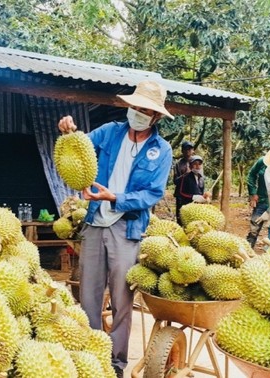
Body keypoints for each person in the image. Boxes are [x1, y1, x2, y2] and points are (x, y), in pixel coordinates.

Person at [57, 80, 173, 378]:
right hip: (95, 222)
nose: (138, 112)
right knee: (89, 295)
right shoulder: (109, 132)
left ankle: (116, 363)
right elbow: (79, 148)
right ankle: (89, 356)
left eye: (145, 110)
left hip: (127, 227)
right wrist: (68, 130)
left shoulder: (161, 150)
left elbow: (152, 194)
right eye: (135, 107)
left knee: (122, 300)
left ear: (156, 116)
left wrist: (115, 198)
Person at [246, 146, 270, 247]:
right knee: (254, 227)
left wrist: (269, 211)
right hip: (261, 199)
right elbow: (251, 175)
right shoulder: (261, 162)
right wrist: (253, 193)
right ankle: (248, 248)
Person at [173, 141, 195, 222]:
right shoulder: (178, 164)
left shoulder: (197, 162)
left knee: (193, 217)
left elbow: (201, 179)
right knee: (180, 217)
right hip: (181, 195)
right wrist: (185, 175)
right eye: (185, 149)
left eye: (190, 149)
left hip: (193, 193)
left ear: (193, 150)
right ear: (182, 151)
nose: (187, 151)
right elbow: (175, 181)